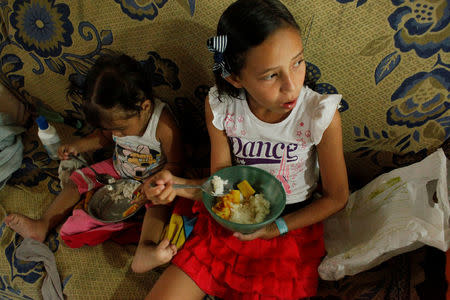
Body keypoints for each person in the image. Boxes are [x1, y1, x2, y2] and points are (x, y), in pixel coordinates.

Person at [141, 0, 350, 299]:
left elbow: (338, 196)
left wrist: (276, 228)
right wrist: (178, 186)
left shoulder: (320, 115)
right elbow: (220, 183)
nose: (291, 86)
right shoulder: (223, 107)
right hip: (232, 218)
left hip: (289, 228)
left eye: (297, 62)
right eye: (270, 75)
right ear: (235, 77)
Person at [5, 52, 184, 273]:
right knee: (76, 179)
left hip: (152, 180)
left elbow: (176, 165)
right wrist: (77, 147)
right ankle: (43, 223)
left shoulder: (163, 125)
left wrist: (157, 184)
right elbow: (105, 137)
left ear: (144, 107)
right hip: (117, 168)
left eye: (120, 128)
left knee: (157, 206)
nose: (116, 133)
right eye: (111, 128)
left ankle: (145, 248)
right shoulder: (117, 122)